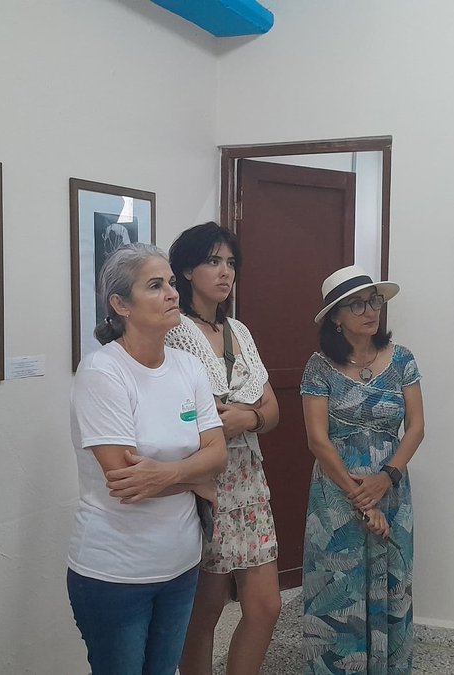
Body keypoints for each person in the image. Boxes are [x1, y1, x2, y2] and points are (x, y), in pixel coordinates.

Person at [68, 242, 229, 674]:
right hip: (115, 572)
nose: (173, 294)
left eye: (172, 283)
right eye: (155, 286)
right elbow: (126, 483)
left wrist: (172, 473)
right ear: (120, 304)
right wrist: (194, 477)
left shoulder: (187, 367)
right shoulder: (104, 372)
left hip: (180, 565)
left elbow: (218, 456)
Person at [165, 222, 281, 675]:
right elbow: (189, 412)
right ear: (188, 269)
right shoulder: (174, 331)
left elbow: (271, 408)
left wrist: (246, 416)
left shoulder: (239, 330)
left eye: (230, 263)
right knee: (203, 611)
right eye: (213, 261)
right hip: (204, 481)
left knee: (266, 606)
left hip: (249, 480)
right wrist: (238, 414)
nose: (224, 272)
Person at [300, 264, 425, 674]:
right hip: (337, 495)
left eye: (374, 301)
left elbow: (416, 428)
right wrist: (360, 498)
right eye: (357, 305)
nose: (371, 311)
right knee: (340, 588)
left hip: (391, 489)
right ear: (336, 317)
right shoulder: (318, 368)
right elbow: (318, 441)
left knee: (393, 583)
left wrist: (386, 478)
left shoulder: (402, 359)